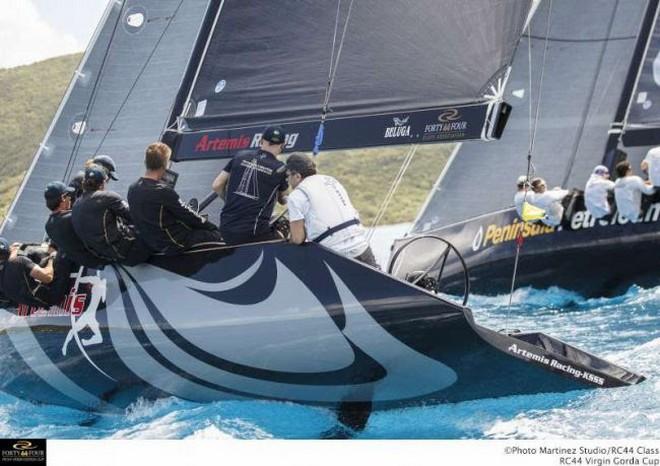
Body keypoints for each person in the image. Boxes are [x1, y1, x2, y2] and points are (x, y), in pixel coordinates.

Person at [285, 153, 378, 267]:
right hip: (362, 247)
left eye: (288, 175)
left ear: (297, 176)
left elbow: (298, 239)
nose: (287, 180)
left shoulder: (296, 196)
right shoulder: (332, 181)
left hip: (335, 255)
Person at [128, 142, 222, 254]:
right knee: (213, 235)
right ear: (165, 165)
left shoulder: (132, 188)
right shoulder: (163, 191)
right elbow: (187, 215)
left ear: (145, 162)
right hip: (172, 242)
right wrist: (213, 228)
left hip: (150, 242)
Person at [212, 125, 288, 244]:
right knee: (284, 233)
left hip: (226, 228)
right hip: (254, 233)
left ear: (261, 140)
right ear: (282, 146)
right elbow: (284, 200)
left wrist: (230, 201)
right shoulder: (280, 169)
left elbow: (217, 185)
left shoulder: (240, 156)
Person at [72, 165, 151, 265]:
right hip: (131, 252)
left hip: (112, 257)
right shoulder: (108, 197)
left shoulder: (75, 206)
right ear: (102, 183)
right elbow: (135, 216)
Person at [44, 181, 105, 268]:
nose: (71, 198)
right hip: (101, 260)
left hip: (86, 264)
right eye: (69, 195)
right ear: (63, 198)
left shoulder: (49, 226)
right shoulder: (72, 218)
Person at [0, 237, 72, 308]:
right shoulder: (18, 261)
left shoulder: (4, 274)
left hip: (37, 302)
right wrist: (51, 257)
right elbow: (48, 277)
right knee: (64, 244)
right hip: (53, 294)